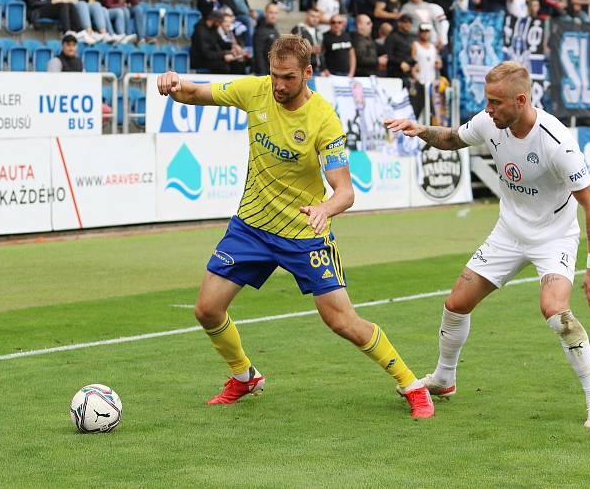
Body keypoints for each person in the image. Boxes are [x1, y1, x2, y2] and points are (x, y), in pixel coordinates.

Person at [155, 35, 435, 419]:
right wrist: (173, 84)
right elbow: (194, 94)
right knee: (207, 309)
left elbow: (345, 192)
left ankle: (411, 384)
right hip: (251, 227)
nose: (279, 85)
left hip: (304, 232)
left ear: (308, 73)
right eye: (274, 75)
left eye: (287, 77)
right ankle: (244, 376)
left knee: (341, 320)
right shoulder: (254, 91)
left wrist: (325, 209)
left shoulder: (324, 119)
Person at [383, 61, 590, 429]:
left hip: (554, 236)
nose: (488, 109)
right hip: (509, 232)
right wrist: (421, 130)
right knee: (456, 303)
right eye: (487, 101)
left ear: (521, 100)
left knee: (556, 312)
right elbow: (452, 139)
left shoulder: (557, 143)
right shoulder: (489, 122)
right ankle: (444, 378)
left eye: (496, 102)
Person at [191, 9, 234, 74]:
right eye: (219, 22)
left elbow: (221, 43)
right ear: (213, 20)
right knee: (224, 67)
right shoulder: (200, 31)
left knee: (236, 63)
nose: (220, 25)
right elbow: (206, 53)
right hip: (200, 60)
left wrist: (233, 46)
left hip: (212, 57)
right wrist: (223, 55)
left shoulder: (213, 29)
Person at [384, 13, 415, 78]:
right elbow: (388, 55)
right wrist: (400, 63)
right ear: (399, 23)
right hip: (394, 72)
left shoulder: (411, 38)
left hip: (407, 72)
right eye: (405, 22)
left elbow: (410, 55)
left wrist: (413, 64)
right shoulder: (392, 37)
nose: (408, 24)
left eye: (410, 22)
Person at [253, 2, 280, 75]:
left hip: (275, 73)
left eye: (275, 13)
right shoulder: (260, 31)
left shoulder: (275, 31)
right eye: (271, 12)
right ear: (265, 13)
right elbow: (258, 55)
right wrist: (263, 75)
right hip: (264, 74)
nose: (273, 16)